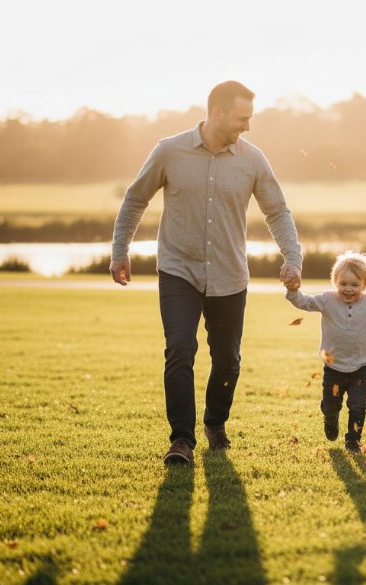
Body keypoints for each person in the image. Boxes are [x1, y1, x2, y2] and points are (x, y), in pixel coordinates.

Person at [110, 81, 303, 465]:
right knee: (180, 349)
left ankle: (215, 422)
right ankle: (181, 439)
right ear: (217, 113)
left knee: (228, 360)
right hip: (178, 269)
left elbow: (277, 211)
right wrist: (121, 251)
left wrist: (293, 257)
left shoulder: (253, 160)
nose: (246, 126)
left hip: (230, 274)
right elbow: (136, 198)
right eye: (241, 118)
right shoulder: (169, 151)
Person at [285, 251, 366, 453]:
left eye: (354, 285)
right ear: (335, 282)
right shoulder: (327, 300)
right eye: (343, 284)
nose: (348, 289)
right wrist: (292, 290)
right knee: (332, 406)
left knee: (358, 407)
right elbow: (304, 302)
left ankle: (353, 441)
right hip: (333, 367)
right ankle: (329, 417)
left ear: (365, 285)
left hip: (360, 367)